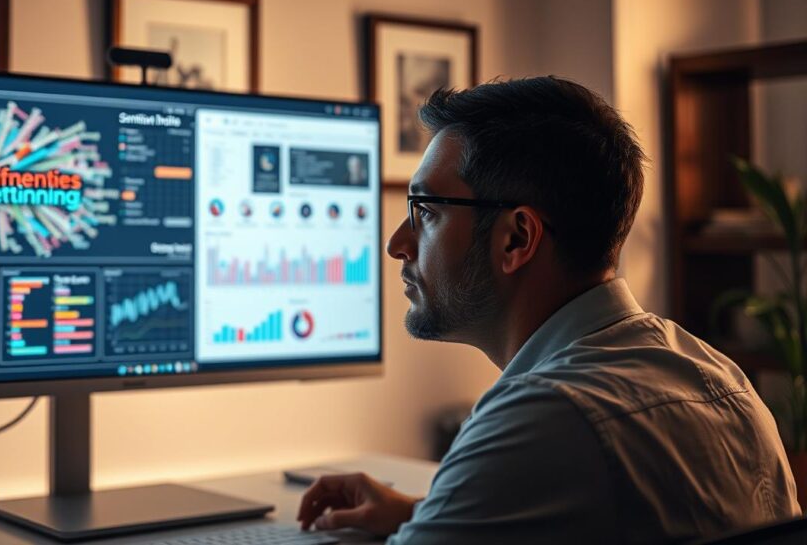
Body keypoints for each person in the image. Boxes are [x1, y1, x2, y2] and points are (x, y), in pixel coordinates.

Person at [297, 78, 801, 544]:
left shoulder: (541, 418)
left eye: (425, 211)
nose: (397, 244)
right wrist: (423, 515)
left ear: (517, 238)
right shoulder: (719, 377)